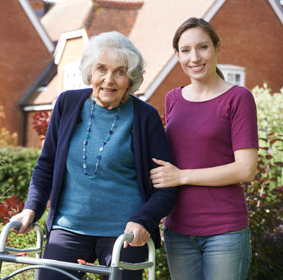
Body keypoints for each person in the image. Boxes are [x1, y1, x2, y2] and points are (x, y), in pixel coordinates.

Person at [11, 31, 178, 280]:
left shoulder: (145, 117)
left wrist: (144, 220)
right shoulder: (67, 104)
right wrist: (31, 208)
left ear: (130, 78)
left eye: (120, 72)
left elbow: (167, 187)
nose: (109, 80)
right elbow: (46, 165)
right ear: (91, 71)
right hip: (68, 228)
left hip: (125, 233)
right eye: (102, 69)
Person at [150, 17, 259, 280]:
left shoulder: (238, 98)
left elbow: (246, 169)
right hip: (178, 231)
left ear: (217, 48)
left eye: (203, 47)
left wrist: (182, 176)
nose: (194, 58)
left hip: (225, 231)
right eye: (185, 50)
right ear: (177, 55)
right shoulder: (172, 98)